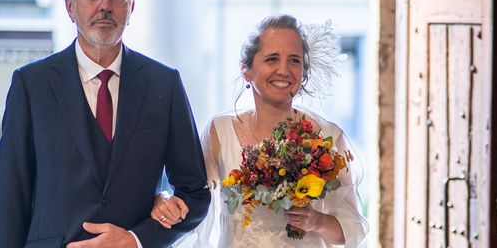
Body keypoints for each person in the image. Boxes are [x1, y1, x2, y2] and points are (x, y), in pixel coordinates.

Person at [0, 0, 211, 248]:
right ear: (70, 5)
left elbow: (195, 193)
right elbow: (10, 196)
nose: (105, 5)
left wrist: (136, 239)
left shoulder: (165, 84)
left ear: (130, 7)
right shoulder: (31, 85)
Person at [151, 15, 368, 247]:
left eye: (294, 60)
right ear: (247, 70)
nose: (284, 70)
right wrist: (161, 198)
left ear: (304, 72)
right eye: (272, 59)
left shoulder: (326, 137)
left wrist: (316, 221)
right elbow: (191, 196)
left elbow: (352, 230)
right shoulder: (220, 131)